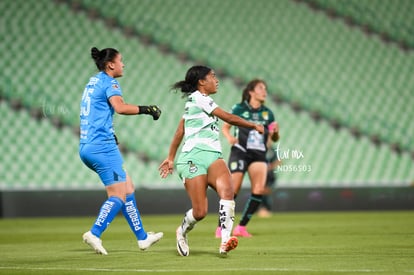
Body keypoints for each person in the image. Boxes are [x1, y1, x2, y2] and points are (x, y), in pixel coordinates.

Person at [158, 65, 264, 256]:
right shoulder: (199, 98)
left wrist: (170, 157)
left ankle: (225, 242)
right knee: (200, 212)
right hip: (192, 157)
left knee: (228, 192)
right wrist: (253, 125)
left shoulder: (196, 102)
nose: (217, 80)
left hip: (213, 155)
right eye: (213, 76)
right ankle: (181, 231)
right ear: (201, 81)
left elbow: (181, 129)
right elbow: (229, 118)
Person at [79, 47, 163, 255]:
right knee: (118, 196)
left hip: (88, 144)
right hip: (102, 146)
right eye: (121, 61)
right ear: (110, 65)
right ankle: (95, 233)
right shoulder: (110, 82)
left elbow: (97, 114)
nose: (123, 64)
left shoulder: (93, 82)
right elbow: (120, 107)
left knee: (128, 188)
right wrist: (147, 109)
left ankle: (143, 238)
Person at [216, 79, 279, 238]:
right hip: (240, 151)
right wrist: (229, 137)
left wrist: (276, 132)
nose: (264, 91)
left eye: (265, 88)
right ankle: (222, 226)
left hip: (259, 154)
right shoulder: (239, 108)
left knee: (258, 190)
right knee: (233, 190)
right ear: (251, 92)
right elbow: (225, 127)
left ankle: (241, 227)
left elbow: (275, 137)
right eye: (261, 88)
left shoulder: (268, 113)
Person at [257, 141, 281, 218]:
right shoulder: (260, 150)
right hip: (261, 175)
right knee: (261, 192)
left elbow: (279, 161)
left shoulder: (273, 150)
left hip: (270, 175)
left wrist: (270, 166)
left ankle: (267, 209)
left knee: (267, 192)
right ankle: (263, 209)